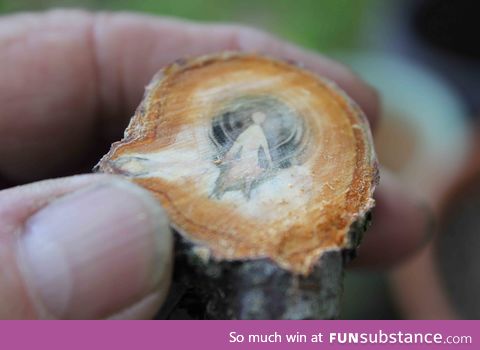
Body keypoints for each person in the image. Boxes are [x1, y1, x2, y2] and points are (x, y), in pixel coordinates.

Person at [0, 10, 431, 319]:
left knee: (239, 181)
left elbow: (259, 154)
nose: (258, 123)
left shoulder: (260, 138)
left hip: (259, 190)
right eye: (255, 118)